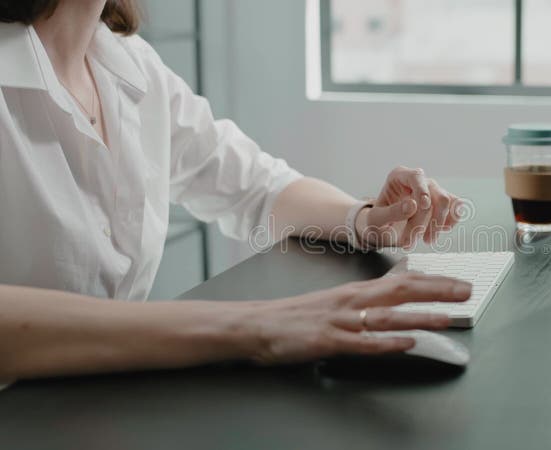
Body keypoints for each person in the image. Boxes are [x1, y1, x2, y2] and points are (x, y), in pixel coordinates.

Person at [0, 0, 471, 384]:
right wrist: (251, 325)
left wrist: (365, 218)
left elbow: (258, 188)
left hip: (102, 402)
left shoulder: (128, 62)